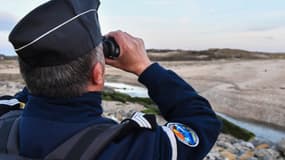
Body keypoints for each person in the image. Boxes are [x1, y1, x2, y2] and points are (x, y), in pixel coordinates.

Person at [5, 0, 221, 159]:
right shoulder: (128, 149)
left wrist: (50, 59)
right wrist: (144, 66)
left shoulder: (5, 116)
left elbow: (38, 86)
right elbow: (202, 123)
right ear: (98, 74)